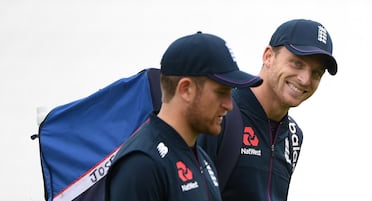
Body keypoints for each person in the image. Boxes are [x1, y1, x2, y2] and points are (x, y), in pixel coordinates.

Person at [104, 31, 262, 201]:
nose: (229, 105)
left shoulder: (201, 158)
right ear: (186, 89)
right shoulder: (142, 164)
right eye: (221, 92)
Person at [198, 19, 338, 201]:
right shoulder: (221, 113)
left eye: (316, 73)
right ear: (268, 56)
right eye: (297, 63)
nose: (305, 79)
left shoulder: (293, 136)